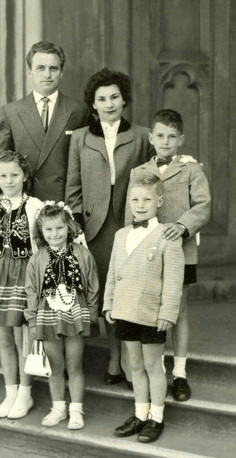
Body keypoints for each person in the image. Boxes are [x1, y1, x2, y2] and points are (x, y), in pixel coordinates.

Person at [65, 68, 154, 387]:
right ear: (93, 104)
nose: (109, 103)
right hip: (95, 229)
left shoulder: (142, 136)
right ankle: (115, 358)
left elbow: (152, 179)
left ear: (124, 99)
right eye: (101, 99)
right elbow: (73, 187)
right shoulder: (80, 138)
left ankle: (127, 363)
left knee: (129, 295)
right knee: (104, 294)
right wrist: (75, 222)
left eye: (114, 97)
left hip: (130, 223)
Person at [125, 109, 211, 401]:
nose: (165, 141)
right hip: (148, 255)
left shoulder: (191, 170)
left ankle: (181, 373)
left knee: (178, 311)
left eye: (171, 136)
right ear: (151, 138)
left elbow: (202, 205)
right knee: (151, 311)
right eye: (160, 135)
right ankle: (155, 371)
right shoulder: (139, 172)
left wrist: (183, 226)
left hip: (180, 251)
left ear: (181, 139)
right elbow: (130, 213)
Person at [104, 173, 184, 443]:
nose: (140, 204)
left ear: (159, 201)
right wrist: (108, 304)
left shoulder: (167, 236)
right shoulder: (121, 235)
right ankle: (140, 414)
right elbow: (113, 271)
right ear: (129, 202)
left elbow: (173, 280)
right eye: (135, 199)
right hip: (125, 310)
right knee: (134, 366)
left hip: (151, 314)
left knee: (153, 366)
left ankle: (156, 418)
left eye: (147, 199)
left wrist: (168, 313)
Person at [0, 40, 88, 219]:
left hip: (64, 205)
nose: (47, 74)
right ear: (29, 72)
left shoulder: (78, 111)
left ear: (62, 72)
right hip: (24, 202)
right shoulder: (12, 112)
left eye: (53, 68)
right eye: (40, 68)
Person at [0, 150, 42, 419]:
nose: (9, 180)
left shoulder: (35, 207)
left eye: (15, 175)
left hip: (23, 280)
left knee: (21, 337)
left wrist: (38, 287)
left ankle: (25, 393)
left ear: (25, 176)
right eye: (3, 175)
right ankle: (10, 392)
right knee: (4, 337)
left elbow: (41, 248)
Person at [24, 202, 99, 430]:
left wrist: (92, 313)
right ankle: (58, 408)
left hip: (75, 315)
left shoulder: (83, 254)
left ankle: (76, 410)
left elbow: (93, 285)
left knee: (74, 365)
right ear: (41, 232)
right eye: (48, 229)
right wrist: (33, 320)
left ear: (69, 227)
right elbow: (32, 292)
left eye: (59, 228)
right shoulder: (37, 259)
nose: (54, 234)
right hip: (47, 317)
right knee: (56, 367)